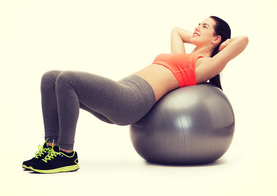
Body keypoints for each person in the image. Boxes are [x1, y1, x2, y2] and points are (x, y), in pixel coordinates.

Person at [22, 16, 248, 173]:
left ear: (216, 39)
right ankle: (50, 148)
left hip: (133, 100)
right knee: (50, 77)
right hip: (124, 89)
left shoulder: (205, 65)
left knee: (67, 79)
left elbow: (243, 40)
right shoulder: (184, 56)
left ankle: (66, 154)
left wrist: (224, 45)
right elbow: (176, 31)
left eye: (205, 26)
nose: (197, 27)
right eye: (198, 23)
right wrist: (200, 38)